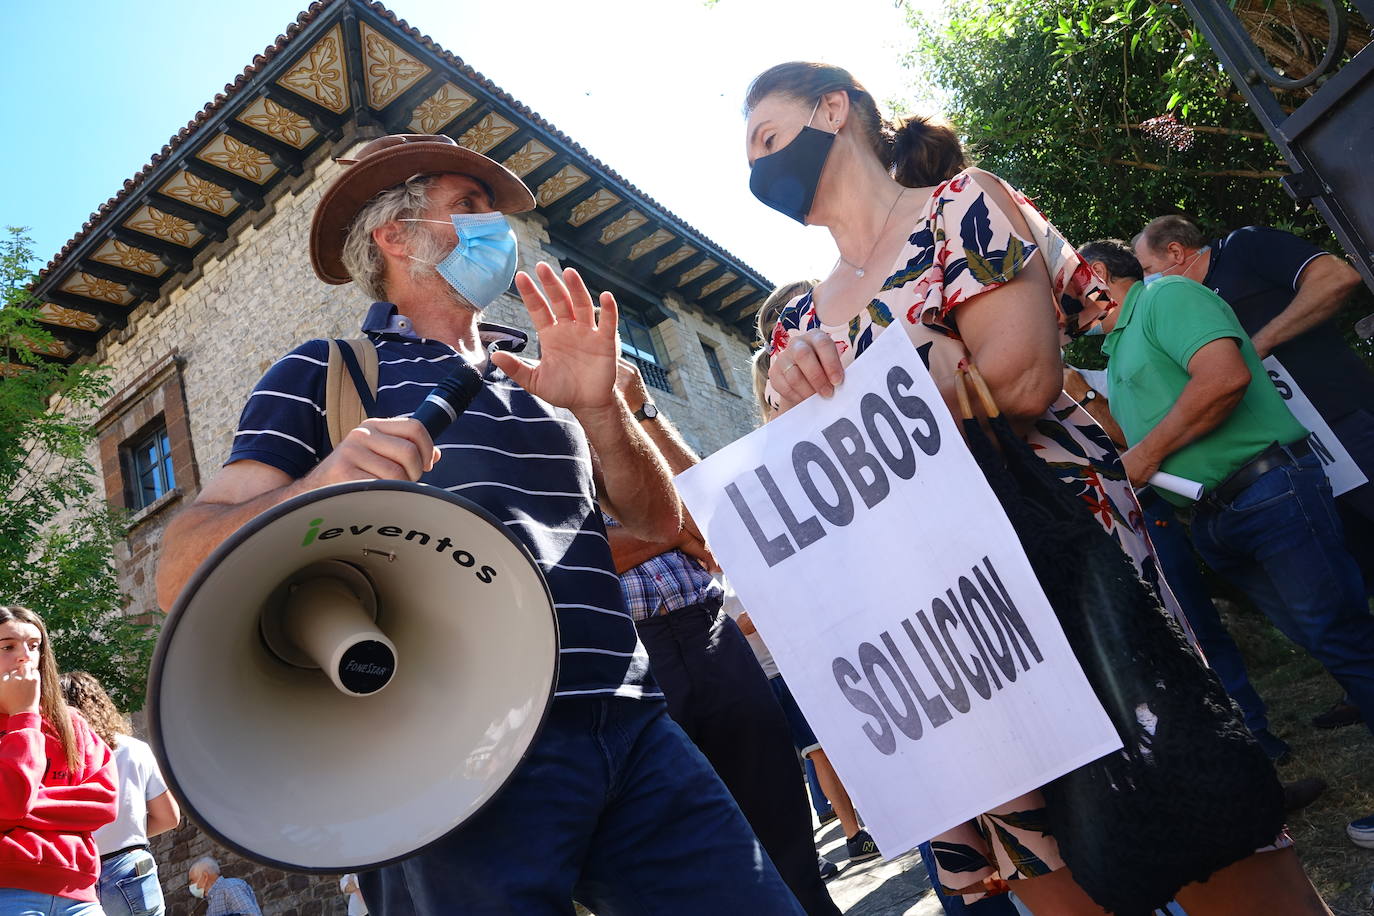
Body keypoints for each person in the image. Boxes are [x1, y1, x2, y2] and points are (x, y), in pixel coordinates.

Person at [154, 133, 803, 915]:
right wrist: (321, 484)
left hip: (633, 722)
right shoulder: (327, 371)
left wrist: (598, 409)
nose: (498, 230)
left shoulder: (543, 366)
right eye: (469, 207)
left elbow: (657, 522)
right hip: (455, 754)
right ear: (394, 236)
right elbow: (178, 569)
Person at [744, 61, 1332, 914]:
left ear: (834, 110)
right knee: (1046, 866)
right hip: (940, 614)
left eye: (768, 138)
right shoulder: (802, 321)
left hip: (1057, 553)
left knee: (1192, 808)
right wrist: (873, 381)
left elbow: (1018, 381)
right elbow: (812, 475)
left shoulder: (959, 205)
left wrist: (869, 404)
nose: (759, 168)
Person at [1083, 237, 1374, 856]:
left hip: (1267, 490)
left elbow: (1224, 379)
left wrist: (1146, 456)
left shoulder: (1168, 297)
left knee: (1343, 637)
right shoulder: (1116, 346)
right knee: (1328, 638)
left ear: (1097, 276)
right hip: (1219, 515)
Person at [603, 358, 841, 916]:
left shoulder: (637, 424)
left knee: (784, 824)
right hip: (637, 659)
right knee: (693, 859)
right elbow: (578, 552)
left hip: (714, 638)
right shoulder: (552, 441)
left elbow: (713, 514)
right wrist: (670, 530)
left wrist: (643, 410)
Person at [0, 605, 117, 916]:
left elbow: (104, 802)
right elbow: (10, 800)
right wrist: (23, 716)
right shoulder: (29, 720)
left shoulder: (70, 722)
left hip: (80, 895)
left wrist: (24, 805)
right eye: (8, 646)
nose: (25, 656)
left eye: (34, 646)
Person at [60, 671, 181, 916]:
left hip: (78, 875)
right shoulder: (136, 750)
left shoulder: (61, 758)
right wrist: (127, 828)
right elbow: (169, 817)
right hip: (132, 865)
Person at [187, 857, 261, 916]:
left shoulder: (230, 887)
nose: (190, 886)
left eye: (192, 881)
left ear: (205, 876)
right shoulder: (211, 899)